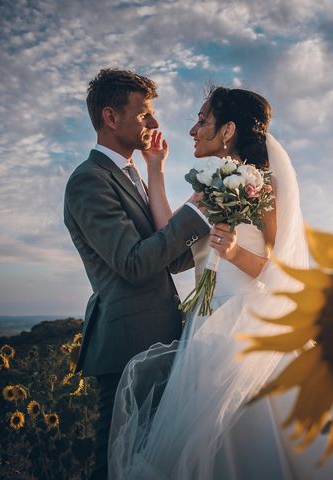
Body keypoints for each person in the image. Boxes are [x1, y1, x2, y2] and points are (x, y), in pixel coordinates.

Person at [108, 87, 333, 479]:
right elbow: (170, 235)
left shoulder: (265, 188)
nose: (193, 130)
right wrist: (155, 168)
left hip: (246, 332)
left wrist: (235, 253)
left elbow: (283, 274)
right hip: (205, 328)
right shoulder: (210, 183)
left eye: (202, 120)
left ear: (228, 130)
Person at [63, 68, 210, 480]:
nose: (155, 123)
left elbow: (172, 259)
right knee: (114, 464)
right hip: (126, 347)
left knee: (148, 459)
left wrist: (158, 173)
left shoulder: (132, 176)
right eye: (145, 113)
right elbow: (133, 263)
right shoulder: (88, 181)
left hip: (160, 338)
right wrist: (196, 213)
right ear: (111, 118)